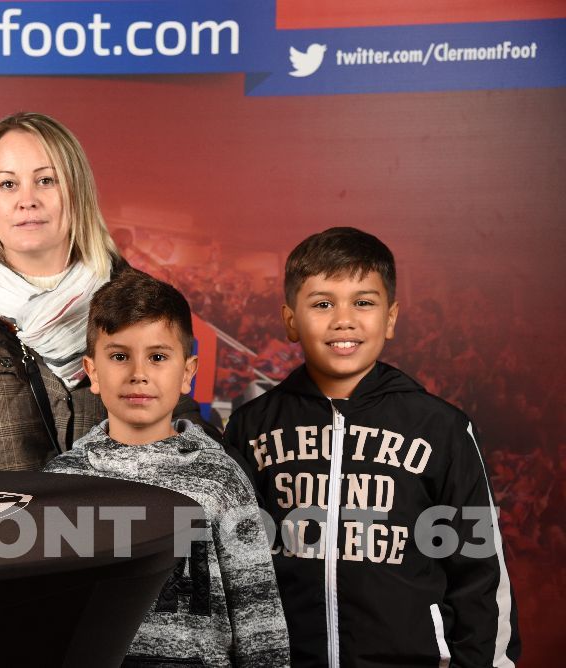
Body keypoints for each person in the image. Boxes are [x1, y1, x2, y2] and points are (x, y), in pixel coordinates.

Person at [223, 227, 520, 666]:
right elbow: (231, 564)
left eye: (363, 302)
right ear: (290, 320)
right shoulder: (251, 426)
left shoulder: (441, 427)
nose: (343, 320)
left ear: (391, 318)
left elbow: (479, 569)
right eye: (322, 304)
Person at [0, 112, 216, 470]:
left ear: (76, 191)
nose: (27, 200)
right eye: (8, 184)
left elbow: (187, 441)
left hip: (122, 510)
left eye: (46, 180)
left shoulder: (146, 305)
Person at [46, 270, 291, 667]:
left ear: (187, 373)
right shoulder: (62, 482)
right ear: (93, 372)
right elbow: (45, 613)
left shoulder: (221, 478)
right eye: (119, 356)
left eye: (157, 357)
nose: (138, 374)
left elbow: (258, 614)